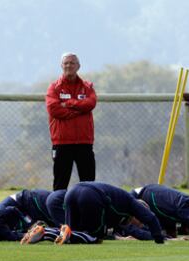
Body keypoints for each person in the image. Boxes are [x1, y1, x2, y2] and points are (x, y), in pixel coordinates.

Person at [46, 52, 97, 190]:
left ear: (78, 66)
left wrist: (68, 103)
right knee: (60, 184)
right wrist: (79, 110)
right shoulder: (54, 88)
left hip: (84, 143)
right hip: (62, 143)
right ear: (61, 66)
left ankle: (88, 211)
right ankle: (58, 211)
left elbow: (91, 103)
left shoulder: (88, 87)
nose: (69, 65)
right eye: (66, 63)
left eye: (72, 63)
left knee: (89, 184)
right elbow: (54, 109)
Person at [54, 182, 165, 244]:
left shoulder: (122, 213)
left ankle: (45, 232)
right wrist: (160, 239)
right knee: (95, 237)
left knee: (71, 235)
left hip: (72, 192)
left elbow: (136, 232)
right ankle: (46, 232)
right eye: (141, 222)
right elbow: (151, 218)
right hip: (90, 195)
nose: (140, 225)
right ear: (138, 213)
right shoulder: (131, 203)